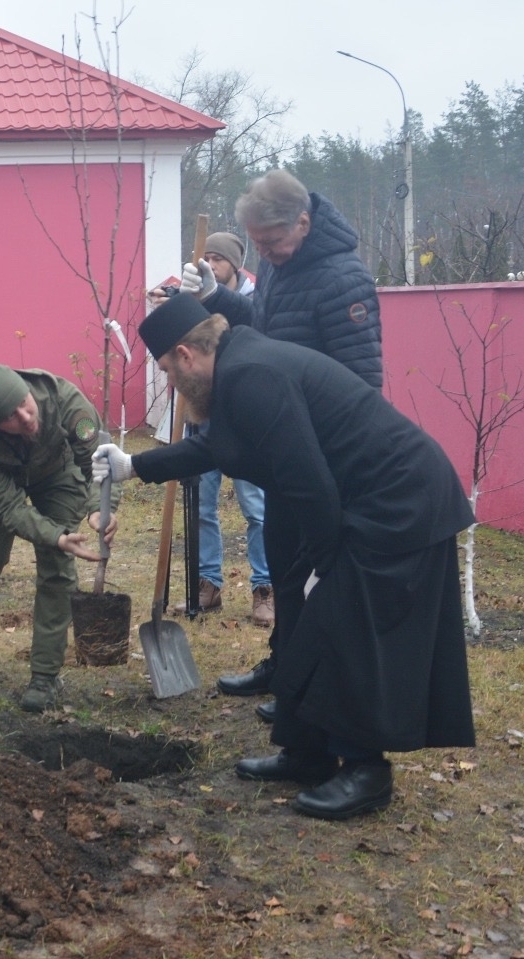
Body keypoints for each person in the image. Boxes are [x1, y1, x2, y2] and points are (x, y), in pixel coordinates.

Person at [96, 294, 474, 820]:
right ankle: (307, 752)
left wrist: (323, 563)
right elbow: (217, 446)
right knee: (299, 616)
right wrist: (134, 465)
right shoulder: (239, 367)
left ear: (185, 355)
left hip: (398, 498)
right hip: (360, 499)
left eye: (166, 370)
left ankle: (366, 771)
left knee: (344, 622)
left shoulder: (250, 375)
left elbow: (308, 481)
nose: (171, 383)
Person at [180, 172, 382, 720]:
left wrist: (330, 461)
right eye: (258, 244)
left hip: (322, 453)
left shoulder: (344, 281)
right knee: (285, 561)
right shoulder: (278, 264)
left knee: (317, 572)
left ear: (304, 222)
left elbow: (362, 381)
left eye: (270, 242)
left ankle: (310, 682)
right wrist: (216, 297)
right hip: (286, 444)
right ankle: (284, 662)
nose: (264, 253)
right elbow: (262, 327)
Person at [0, 365, 114, 712]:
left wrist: (101, 507)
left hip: (57, 474)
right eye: (10, 416)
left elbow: (98, 459)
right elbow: (7, 505)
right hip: (1, 483)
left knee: (57, 566)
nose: (25, 417)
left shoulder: (66, 401)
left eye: (24, 403)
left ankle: (45, 677)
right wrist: (55, 535)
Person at [185, 232, 271, 626]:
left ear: (235, 264)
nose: (211, 264)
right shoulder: (193, 299)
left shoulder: (256, 301)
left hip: (247, 414)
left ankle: (264, 588)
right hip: (205, 413)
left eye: (218, 258)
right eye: (206, 257)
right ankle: (208, 584)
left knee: (256, 507)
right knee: (202, 505)